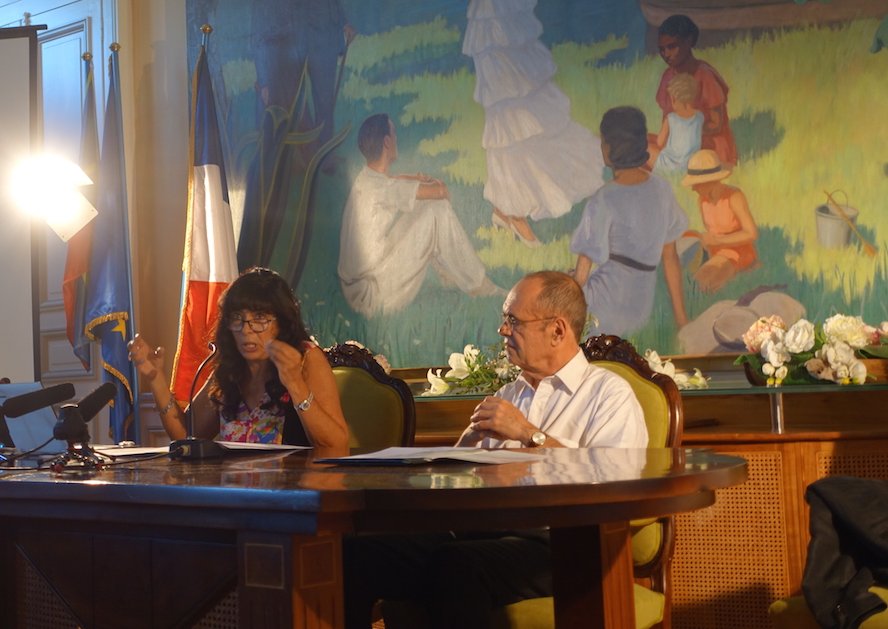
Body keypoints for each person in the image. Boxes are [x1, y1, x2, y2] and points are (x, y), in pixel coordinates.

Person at [342, 271, 648, 629]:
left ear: (557, 330)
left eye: (514, 321)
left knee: (456, 565)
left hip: (563, 543)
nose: (503, 330)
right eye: (505, 319)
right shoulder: (508, 395)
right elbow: (454, 483)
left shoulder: (609, 395)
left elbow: (614, 481)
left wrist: (528, 434)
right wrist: (463, 451)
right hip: (477, 531)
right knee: (353, 555)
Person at [449, 0, 604, 246]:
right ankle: (512, 210)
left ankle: (506, 208)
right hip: (490, 29)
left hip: (514, 20)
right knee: (507, 117)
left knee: (536, 107)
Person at [127, 267, 348, 448]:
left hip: (289, 486)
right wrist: (156, 378)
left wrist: (295, 384)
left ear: (281, 323)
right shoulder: (230, 366)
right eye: (237, 318)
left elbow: (336, 444)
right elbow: (186, 435)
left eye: (259, 317)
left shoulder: (306, 358)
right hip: (231, 487)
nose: (246, 329)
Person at [338, 113, 502, 317]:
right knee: (436, 209)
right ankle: (479, 286)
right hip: (371, 294)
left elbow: (393, 180)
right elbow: (441, 191)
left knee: (426, 205)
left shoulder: (367, 179)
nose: (397, 139)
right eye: (394, 134)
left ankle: (449, 275)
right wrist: (432, 182)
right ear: (387, 142)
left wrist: (418, 179)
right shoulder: (382, 188)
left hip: (361, 285)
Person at [570, 106, 690, 337]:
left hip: (605, 306)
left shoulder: (604, 198)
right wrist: (682, 320)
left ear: (610, 147)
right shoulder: (662, 189)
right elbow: (670, 258)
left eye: (603, 141)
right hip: (640, 307)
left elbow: (581, 275)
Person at [655, 14, 738, 167]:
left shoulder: (705, 75)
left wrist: (685, 132)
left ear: (688, 41)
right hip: (680, 144)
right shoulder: (668, 76)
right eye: (661, 49)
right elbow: (667, 119)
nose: (666, 54)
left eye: (671, 47)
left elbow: (716, 124)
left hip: (709, 144)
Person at [292, 0, 355, 148]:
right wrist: (302, 52)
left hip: (331, 41)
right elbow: (299, 12)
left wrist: (345, 24)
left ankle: (325, 151)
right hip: (314, 45)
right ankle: (324, 154)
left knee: (326, 99)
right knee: (323, 99)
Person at [681, 149, 759, 293]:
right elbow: (713, 231)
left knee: (700, 284)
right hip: (715, 252)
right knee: (689, 279)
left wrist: (717, 241)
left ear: (710, 180)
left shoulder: (734, 196)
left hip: (738, 252)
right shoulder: (702, 200)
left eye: (696, 183)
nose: (693, 188)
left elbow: (751, 233)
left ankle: (743, 271)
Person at [250, 0, 302, 124]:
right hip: (272, 67)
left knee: (294, 113)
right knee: (272, 116)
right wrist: (263, 81)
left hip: (292, 65)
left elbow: (299, 24)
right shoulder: (261, 2)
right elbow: (257, 43)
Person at [648, 72, 703, 176]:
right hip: (690, 166)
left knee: (647, 148)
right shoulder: (699, 116)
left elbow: (659, 142)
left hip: (669, 166)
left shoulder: (671, 118)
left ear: (673, 99)